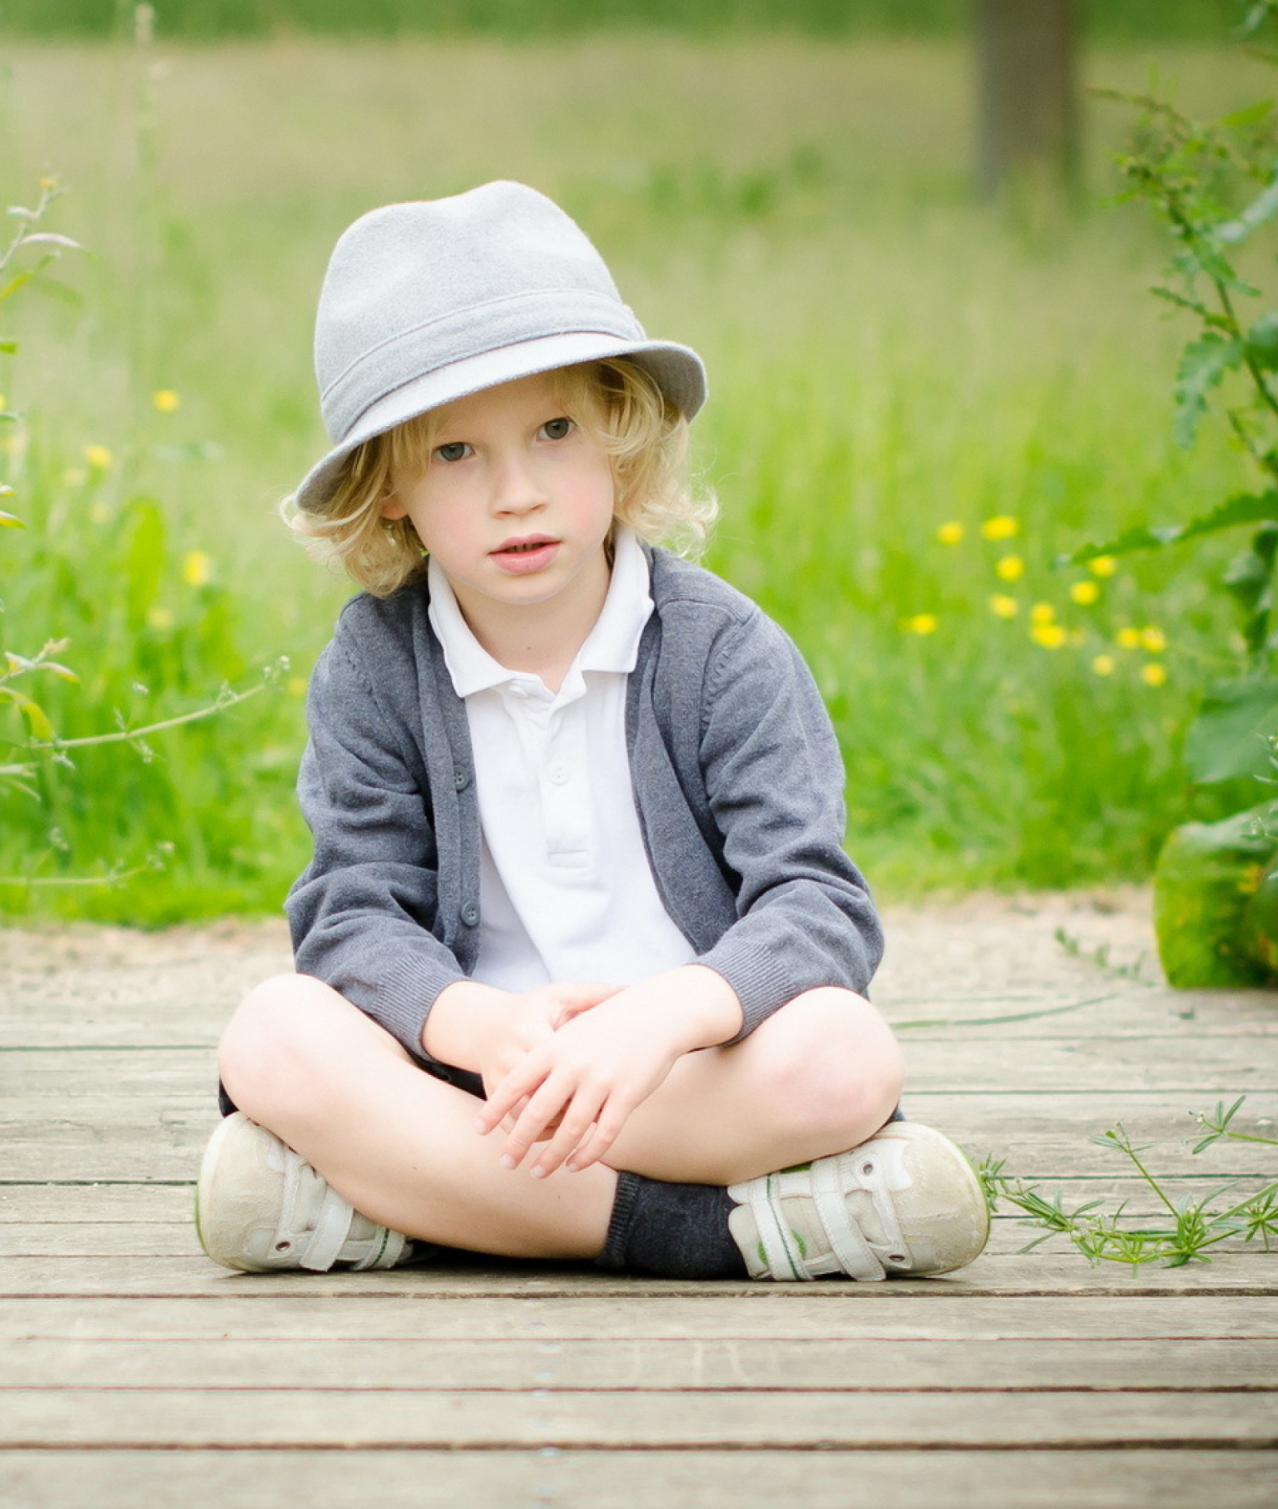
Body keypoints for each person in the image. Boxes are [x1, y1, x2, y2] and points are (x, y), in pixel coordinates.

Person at [195, 181, 989, 1283]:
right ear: (387, 494)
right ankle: (713, 1232)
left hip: (686, 1073)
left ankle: (409, 1204)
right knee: (273, 1033)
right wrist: (472, 1025)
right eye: (454, 454)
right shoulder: (375, 665)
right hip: (474, 1069)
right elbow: (349, 910)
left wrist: (664, 1017)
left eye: (554, 431)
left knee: (846, 1056)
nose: (516, 491)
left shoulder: (721, 650)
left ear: (619, 439)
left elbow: (815, 904)